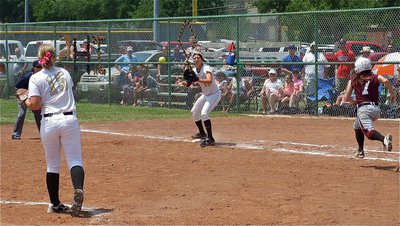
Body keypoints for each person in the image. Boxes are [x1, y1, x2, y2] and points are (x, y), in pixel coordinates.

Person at [24, 44, 85, 216]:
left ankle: (55, 204)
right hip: (69, 119)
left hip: (49, 122)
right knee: (75, 160)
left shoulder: (36, 77)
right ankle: (78, 190)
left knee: (53, 165)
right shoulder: (64, 73)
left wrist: (25, 101)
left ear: (39, 57)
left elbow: (35, 105)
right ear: (54, 56)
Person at [343, 57, 396, 158]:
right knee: (357, 126)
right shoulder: (375, 76)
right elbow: (386, 81)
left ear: (358, 68)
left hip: (363, 110)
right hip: (376, 110)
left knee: (368, 133)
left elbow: (347, 98)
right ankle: (360, 151)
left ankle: (384, 139)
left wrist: (355, 102)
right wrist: (392, 93)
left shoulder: (353, 80)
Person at [176, 52, 221, 147]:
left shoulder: (206, 68)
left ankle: (211, 139)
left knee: (204, 113)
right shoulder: (194, 70)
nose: (196, 59)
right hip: (205, 95)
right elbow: (189, 83)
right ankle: (202, 133)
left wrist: (196, 80)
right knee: (195, 112)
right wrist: (183, 83)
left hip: (214, 94)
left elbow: (209, 80)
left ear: (202, 59)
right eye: (194, 58)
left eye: (198, 58)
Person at [11, 60, 42, 140]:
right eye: (38, 67)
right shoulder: (27, 76)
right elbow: (16, 88)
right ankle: (15, 134)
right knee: (22, 113)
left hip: (33, 97)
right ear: (33, 68)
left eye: (41, 67)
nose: (40, 69)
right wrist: (23, 93)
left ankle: (43, 134)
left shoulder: (42, 77)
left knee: (38, 114)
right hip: (23, 97)